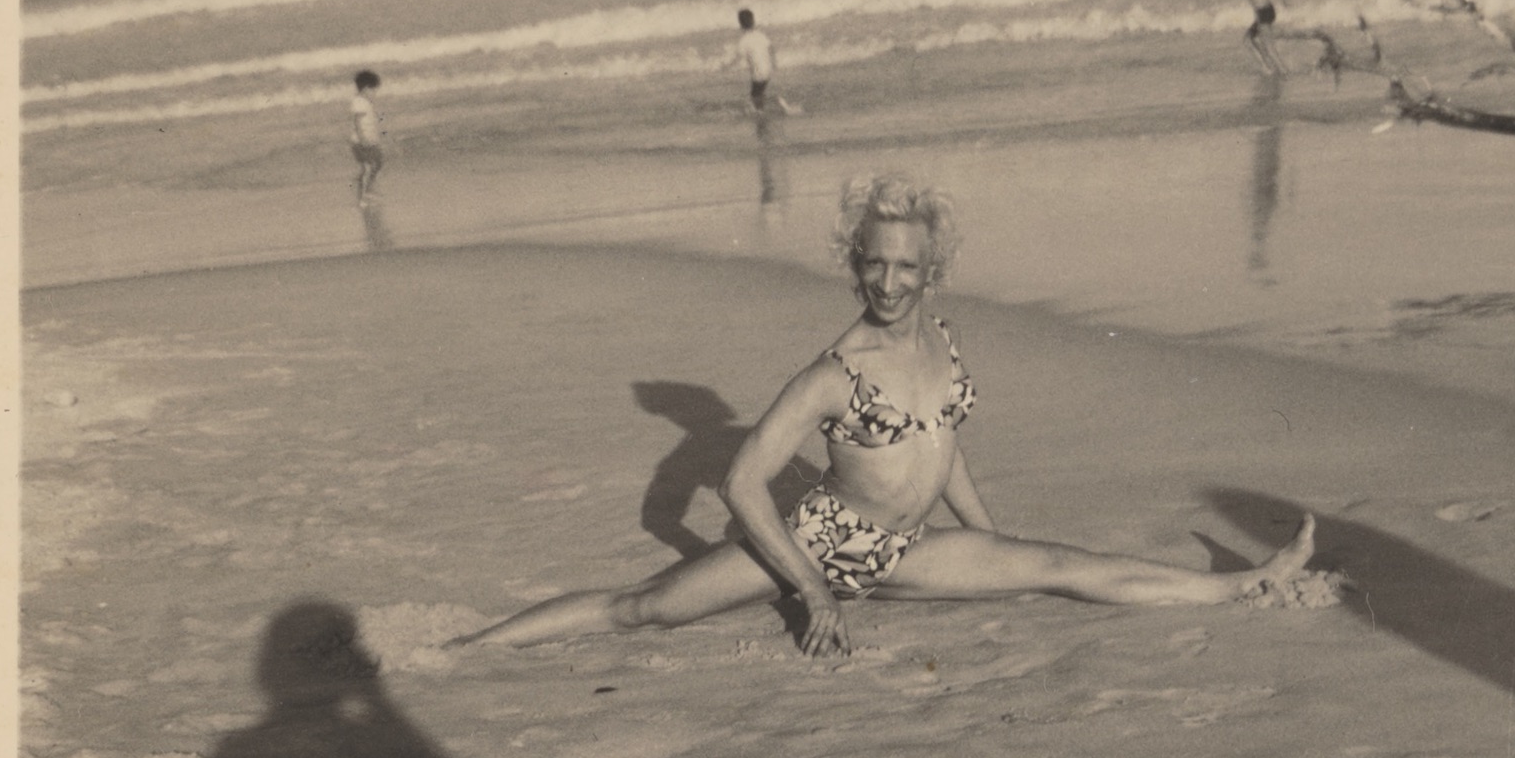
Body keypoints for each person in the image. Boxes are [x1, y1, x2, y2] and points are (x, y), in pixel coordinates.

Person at [454, 174, 1318, 661]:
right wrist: (811, 584)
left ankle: (1245, 584)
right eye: (874, 265)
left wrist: (994, 545)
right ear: (855, 266)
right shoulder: (836, 373)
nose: (889, 282)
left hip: (909, 549)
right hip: (822, 543)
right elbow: (741, 482)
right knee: (644, 609)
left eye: (906, 266)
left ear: (930, 268)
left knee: (1059, 563)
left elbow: (946, 448)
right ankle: (464, 648)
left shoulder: (940, 343)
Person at [733, 8, 796, 116]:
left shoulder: (744, 40)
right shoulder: (760, 35)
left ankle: (776, 102)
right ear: (753, 21)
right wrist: (774, 62)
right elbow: (771, 48)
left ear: (740, 25)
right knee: (759, 94)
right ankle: (761, 110)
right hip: (767, 68)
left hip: (758, 72)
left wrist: (727, 66)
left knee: (755, 96)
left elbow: (738, 57)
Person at [349, 70, 385, 196]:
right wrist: (363, 138)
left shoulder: (366, 102)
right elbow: (357, 123)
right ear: (365, 89)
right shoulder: (359, 102)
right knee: (368, 167)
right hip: (360, 142)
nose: (374, 94)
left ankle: (368, 188)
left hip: (369, 141)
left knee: (378, 162)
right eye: (373, 90)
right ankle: (363, 193)